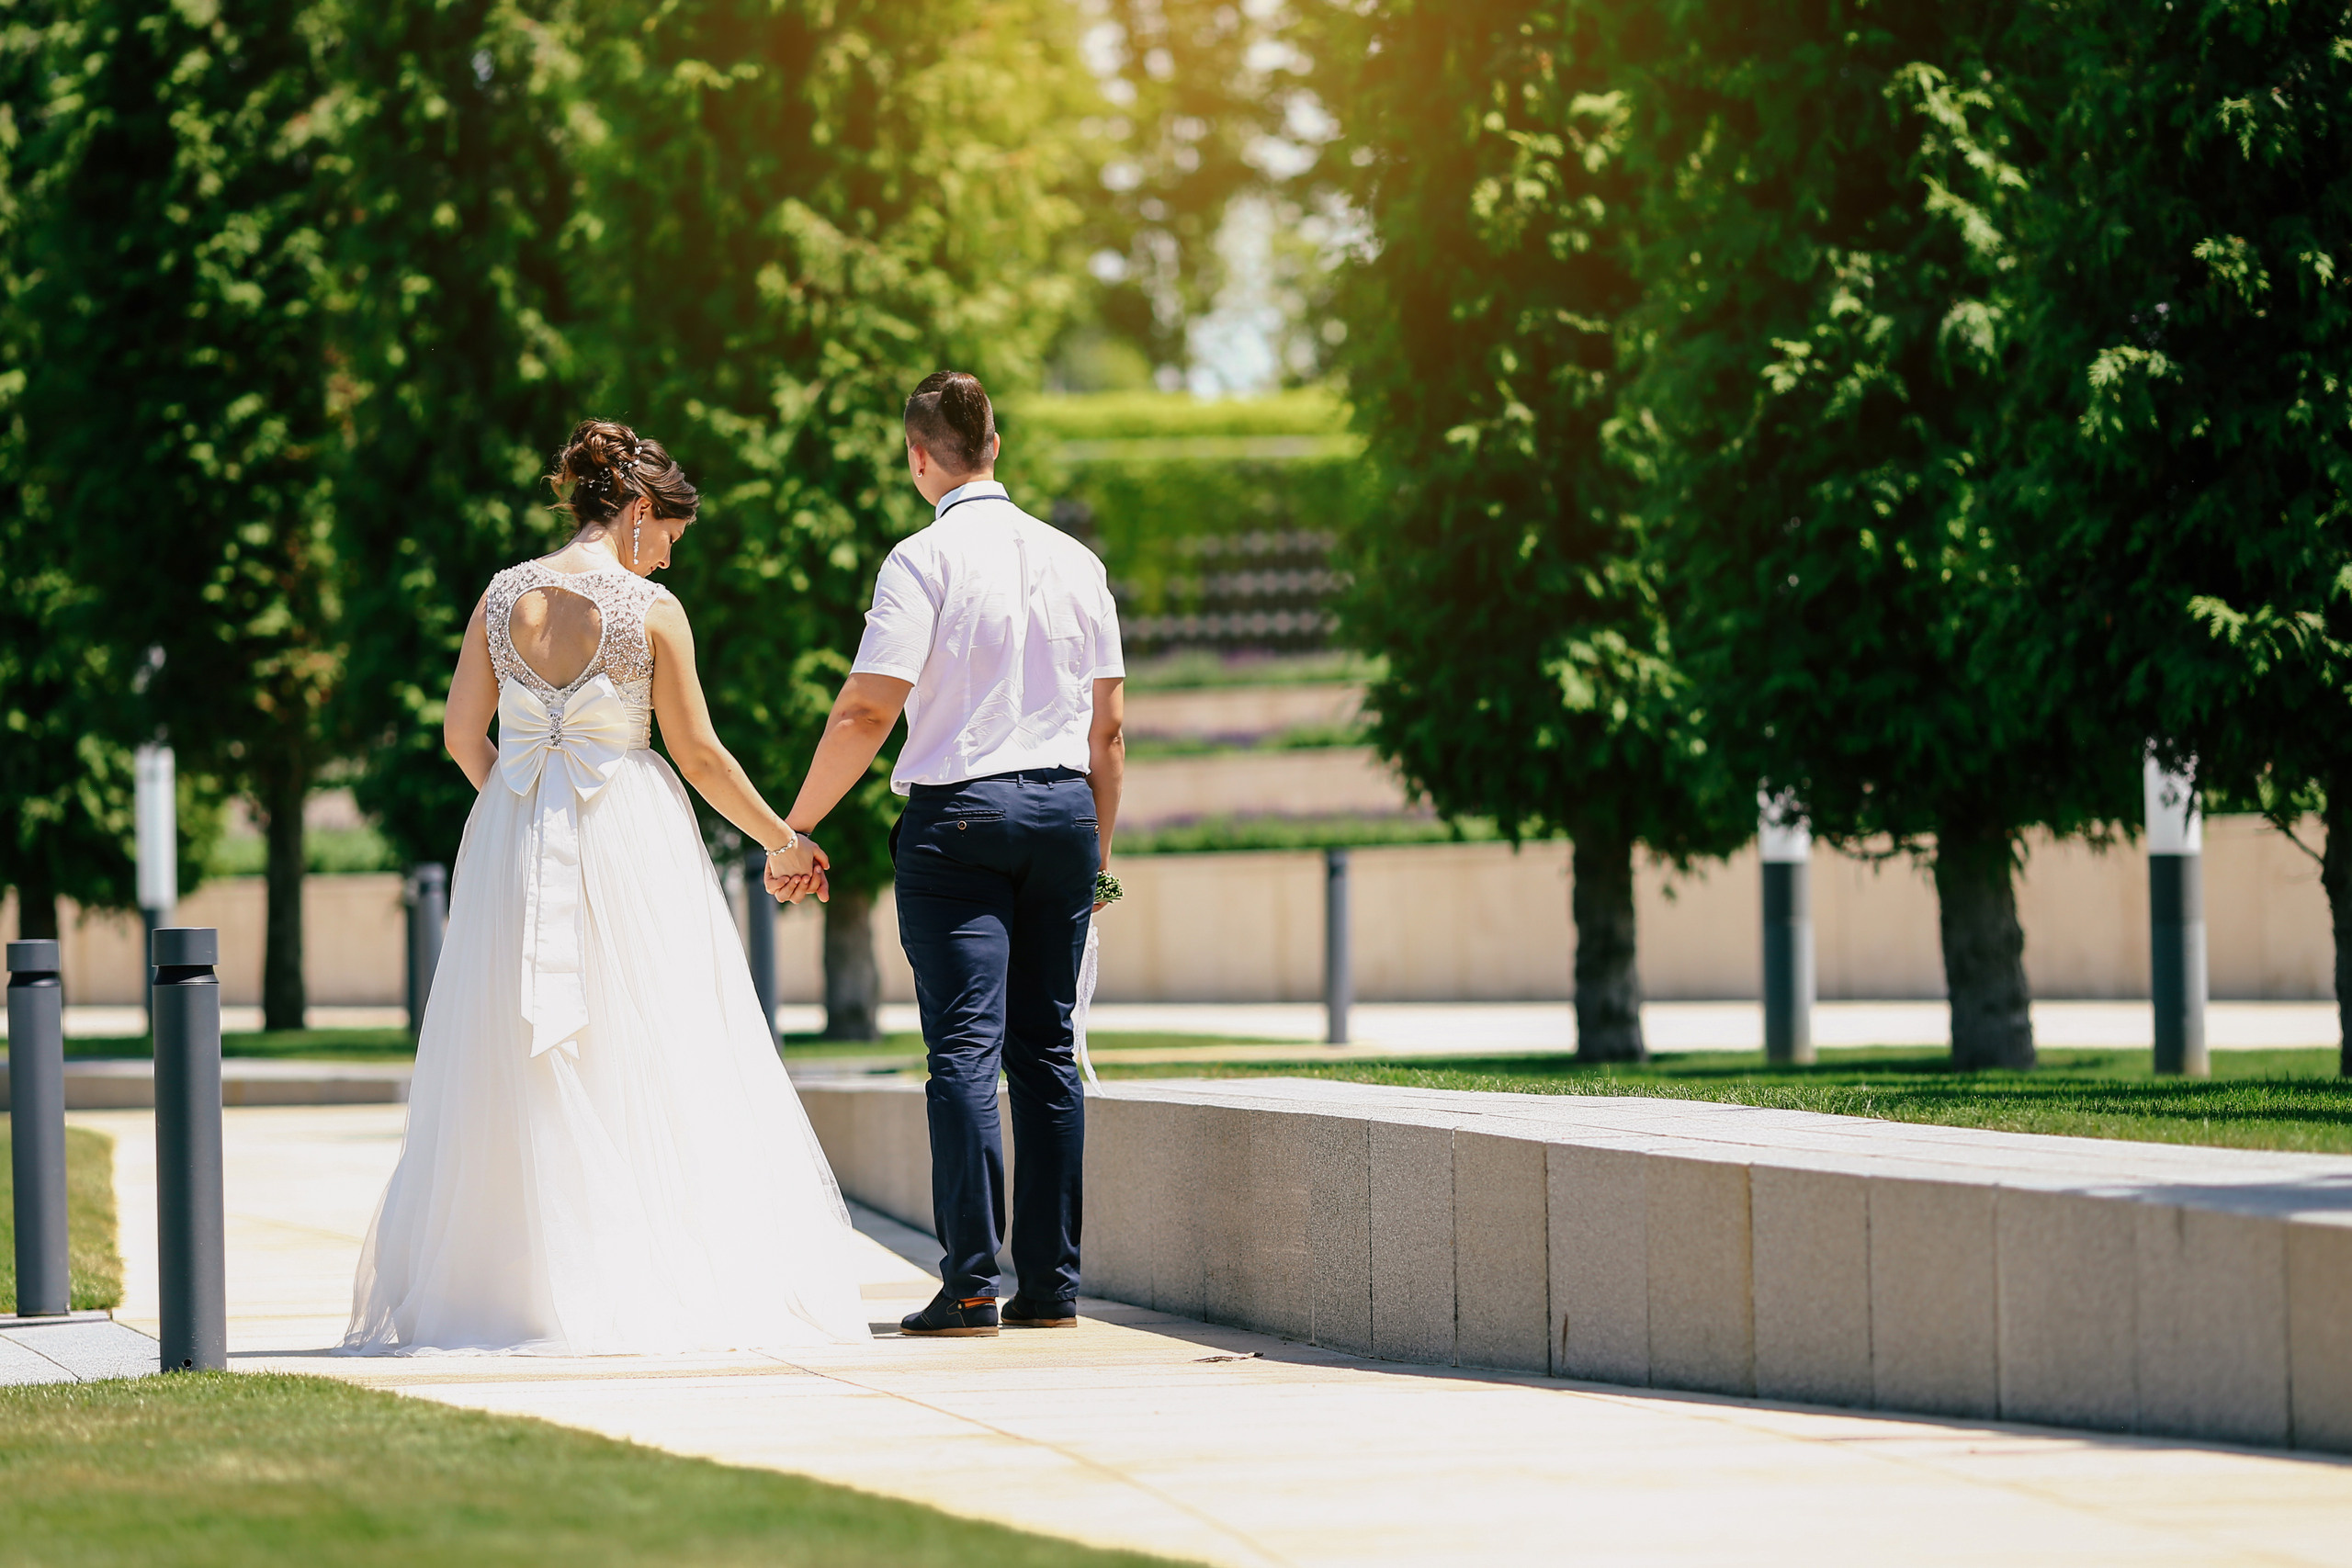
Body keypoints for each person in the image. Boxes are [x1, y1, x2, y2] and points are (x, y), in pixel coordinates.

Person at [341, 420, 867, 1356]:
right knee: (645, 1035)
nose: (669, 552)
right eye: (667, 532)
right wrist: (785, 839)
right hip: (623, 829)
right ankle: (637, 1272)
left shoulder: (500, 598)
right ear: (633, 513)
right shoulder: (649, 610)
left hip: (513, 831)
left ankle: (517, 1287)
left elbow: (465, 740)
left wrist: (521, 800)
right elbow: (698, 756)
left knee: (519, 1049)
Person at [767, 370, 1125, 1337]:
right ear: (995, 446)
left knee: (963, 1051)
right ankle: (1052, 1287)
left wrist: (794, 827)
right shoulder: (1076, 562)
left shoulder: (919, 561)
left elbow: (867, 708)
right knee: (1047, 1052)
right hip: (1063, 814)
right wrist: (1097, 856)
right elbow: (1110, 732)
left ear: (918, 457)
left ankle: (970, 1285)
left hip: (959, 821)